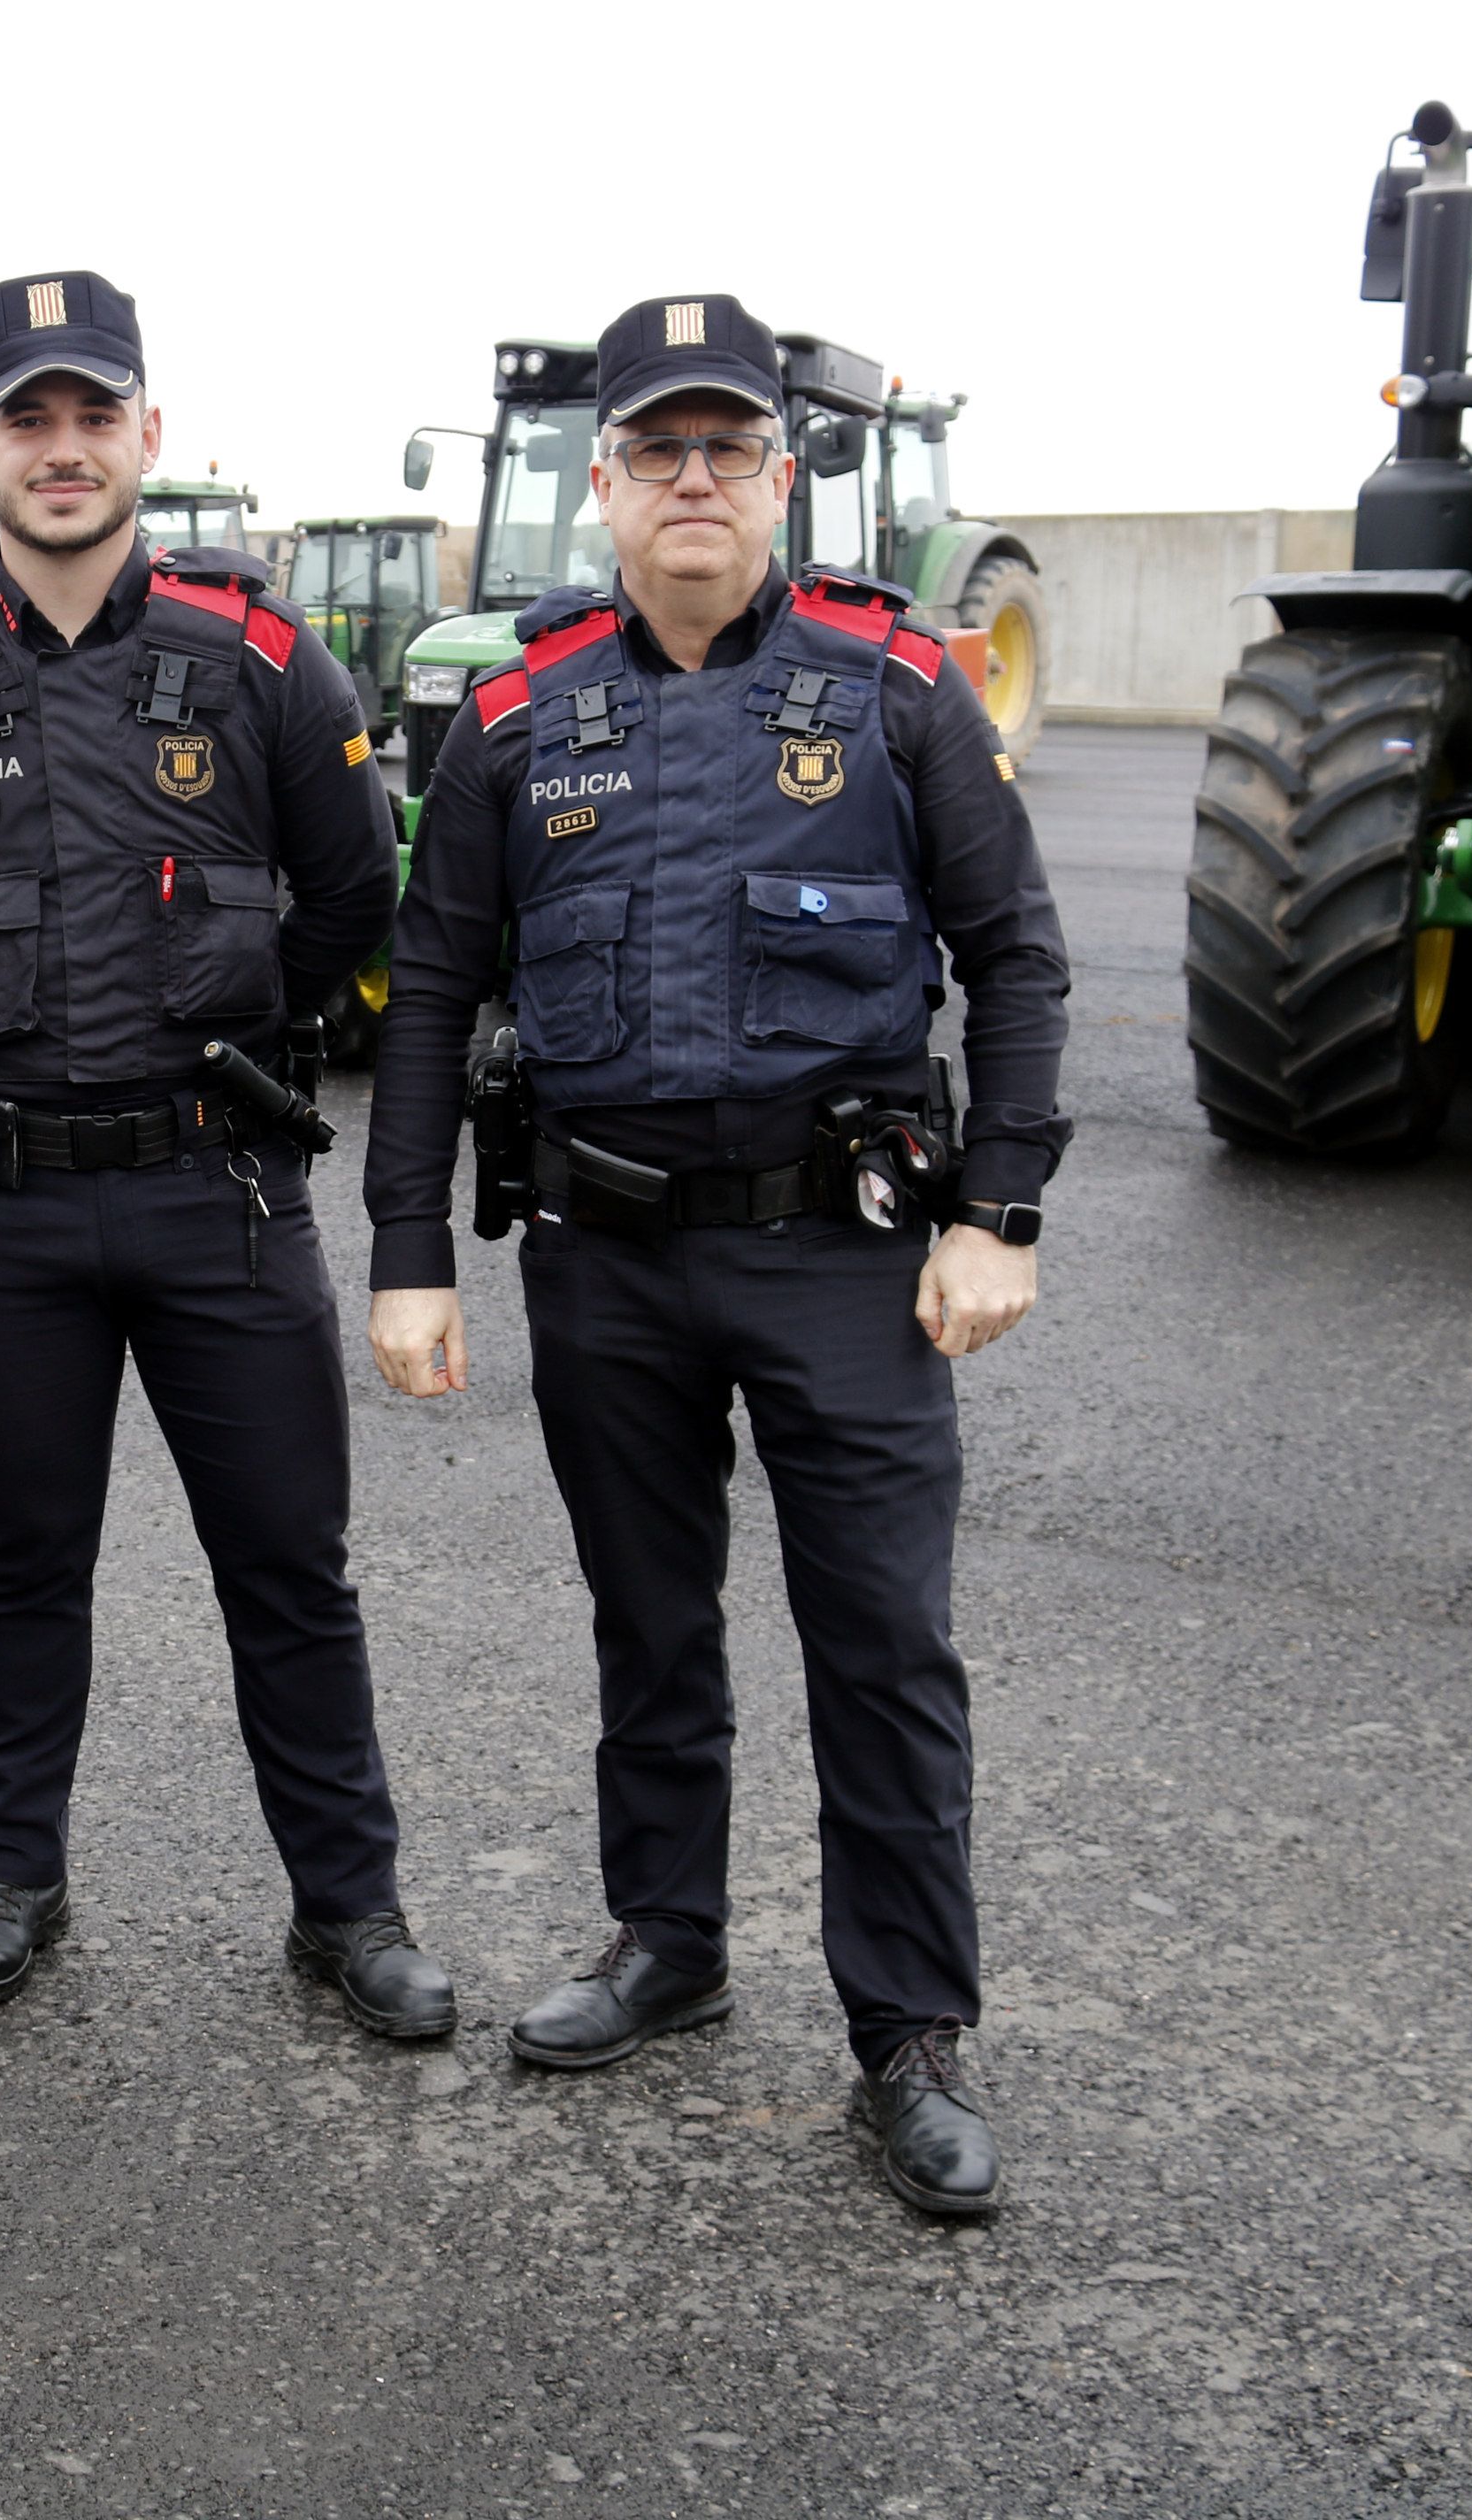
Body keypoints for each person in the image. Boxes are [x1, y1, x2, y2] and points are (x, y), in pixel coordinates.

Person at [361, 294, 1070, 2217]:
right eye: (657, 449)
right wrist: (408, 1247)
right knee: (650, 1625)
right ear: (604, 483)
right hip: (607, 1253)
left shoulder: (898, 688)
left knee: (886, 1644)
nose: (693, 479)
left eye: (726, 448)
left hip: (845, 1257)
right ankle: (666, 1941)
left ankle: (909, 2028)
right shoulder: (515, 714)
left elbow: (1015, 959)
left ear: (778, 473)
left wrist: (998, 1210)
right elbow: (433, 989)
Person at [0, 270, 453, 2040]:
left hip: (216, 1191)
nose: (65, 449)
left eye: (96, 415)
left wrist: (232, 1042)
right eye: (31, 418)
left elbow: (354, 897)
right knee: (22, 1559)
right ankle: (12, 1878)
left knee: (287, 1563)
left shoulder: (253, 656)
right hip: (2, 1201)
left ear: (148, 435)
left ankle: (350, 1904)